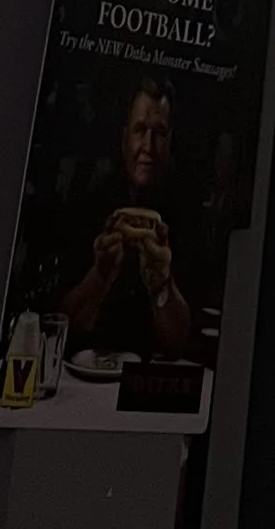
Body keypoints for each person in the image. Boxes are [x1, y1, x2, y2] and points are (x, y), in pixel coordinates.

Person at [56, 80, 195, 363]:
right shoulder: (90, 205)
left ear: (170, 141)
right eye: (140, 130)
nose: (148, 147)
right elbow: (59, 327)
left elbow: (181, 345)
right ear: (124, 137)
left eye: (159, 133)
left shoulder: (185, 214)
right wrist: (99, 276)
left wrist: (163, 285)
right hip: (84, 372)